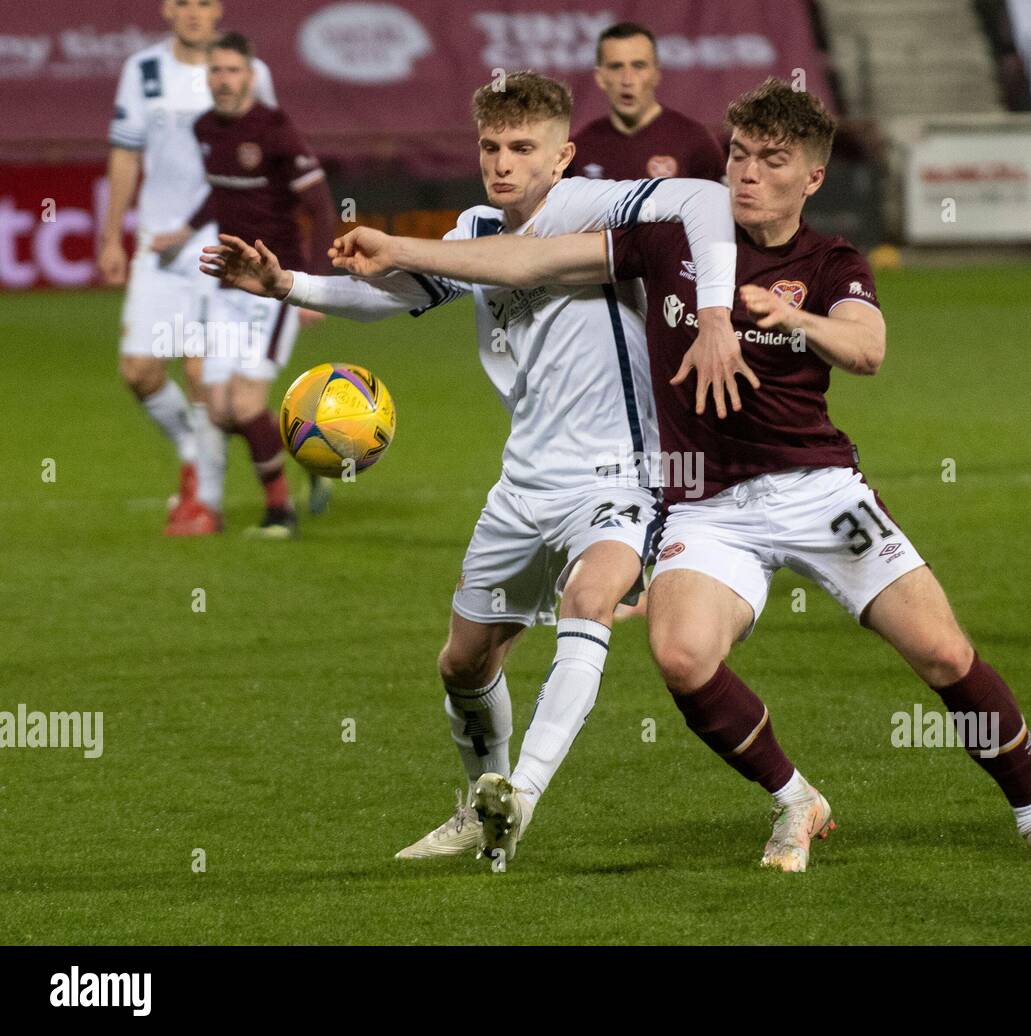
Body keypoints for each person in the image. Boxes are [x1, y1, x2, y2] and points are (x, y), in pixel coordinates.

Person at [342, 78, 1031, 873]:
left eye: (773, 160)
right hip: (704, 503)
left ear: (813, 178)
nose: (747, 172)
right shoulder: (667, 237)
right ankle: (797, 799)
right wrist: (399, 249)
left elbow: (867, 349)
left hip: (820, 490)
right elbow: (526, 256)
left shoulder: (830, 260)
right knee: (682, 655)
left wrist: (794, 317)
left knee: (941, 652)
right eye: (738, 154)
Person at [199, 72, 740, 866]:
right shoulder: (478, 225)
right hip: (523, 482)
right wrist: (285, 284)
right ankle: (481, 810)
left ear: (562, 156)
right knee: (463, 660)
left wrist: (718, 313)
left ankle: (521, 793)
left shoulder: (593, 206)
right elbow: (397, 295)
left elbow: (706, 201)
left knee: (590, 600)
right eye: (491, 146)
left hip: (619, 474)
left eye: (523, 147)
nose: (503, 161)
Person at [99, 0, 275, 535]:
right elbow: (126, 155)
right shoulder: (143, 71)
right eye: (183, 3)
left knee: (200, 371)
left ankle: (205, 504)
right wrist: (112, 235)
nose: (195, 13)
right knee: (140, 370)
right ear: (166, 10)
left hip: (217, 239)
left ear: (218, 9)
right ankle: (198, 447)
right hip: (159, 241)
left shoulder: (251, 71)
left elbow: (269, 154)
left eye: (204, 2)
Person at [152, 32, 335, 538]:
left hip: (274, 286)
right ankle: (304, 459)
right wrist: (184, 233)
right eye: (215, 71)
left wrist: (313, 285)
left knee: (244, 405)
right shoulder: (206, 128)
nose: (224, 80)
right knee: (216, 405)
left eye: (233, 71)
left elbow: (319, 205)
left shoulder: (274, 130)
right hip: (227, 284)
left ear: (251, 77)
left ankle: (280, 513)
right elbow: (221, 193)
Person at [568, 22, 725, 182]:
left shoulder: (696, 142)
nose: (627, 79)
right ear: (600, 77)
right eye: (616, 67)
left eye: (638, 66)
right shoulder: (580, 147)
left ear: (656, 74)